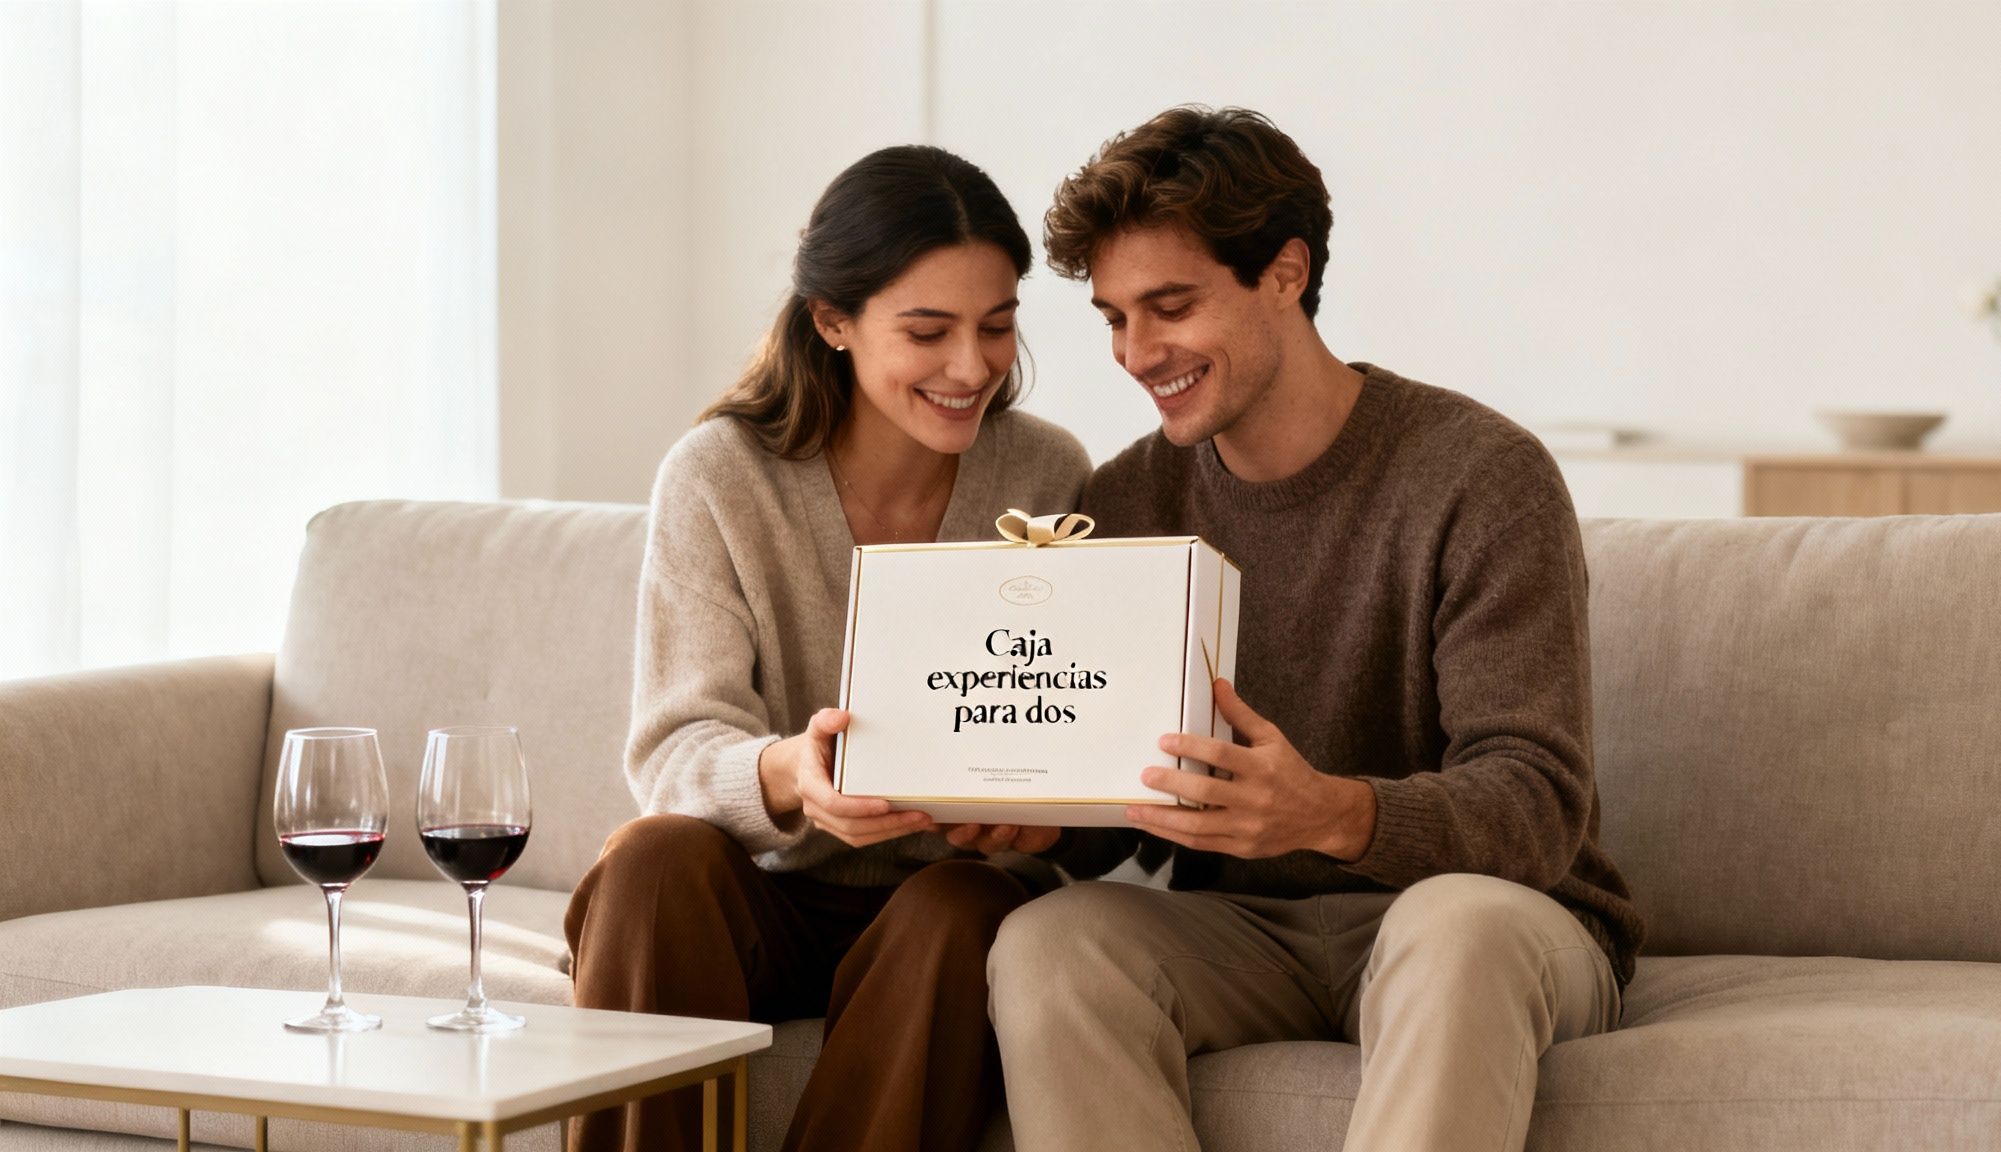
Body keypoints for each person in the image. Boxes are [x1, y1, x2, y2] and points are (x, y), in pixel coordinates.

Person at [985, 106, 1646, 1152]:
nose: (1134, 352)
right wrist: (1039, 819)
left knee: (1451, 929)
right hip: (1248, 931)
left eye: (1169, 306)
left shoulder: (1481, 477)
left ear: (1285, 273)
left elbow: (1534, 806)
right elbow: (1124, 809)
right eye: (1113, 317)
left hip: (1490, 915)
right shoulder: (1123, 503)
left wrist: (1331, 815)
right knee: (1048, 940)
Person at [566, 145, 1087, 1152]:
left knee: (959, 909)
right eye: (928, 332)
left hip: (943, 901)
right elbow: (673, 751)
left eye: (997, 324)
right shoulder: (720, 476)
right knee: (651, 860)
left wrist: (1029, 814)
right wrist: (792, 774)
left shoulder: (1047, 471)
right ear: (832, 321)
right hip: (759, 893)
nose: (971, 368)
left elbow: (1072, 720)